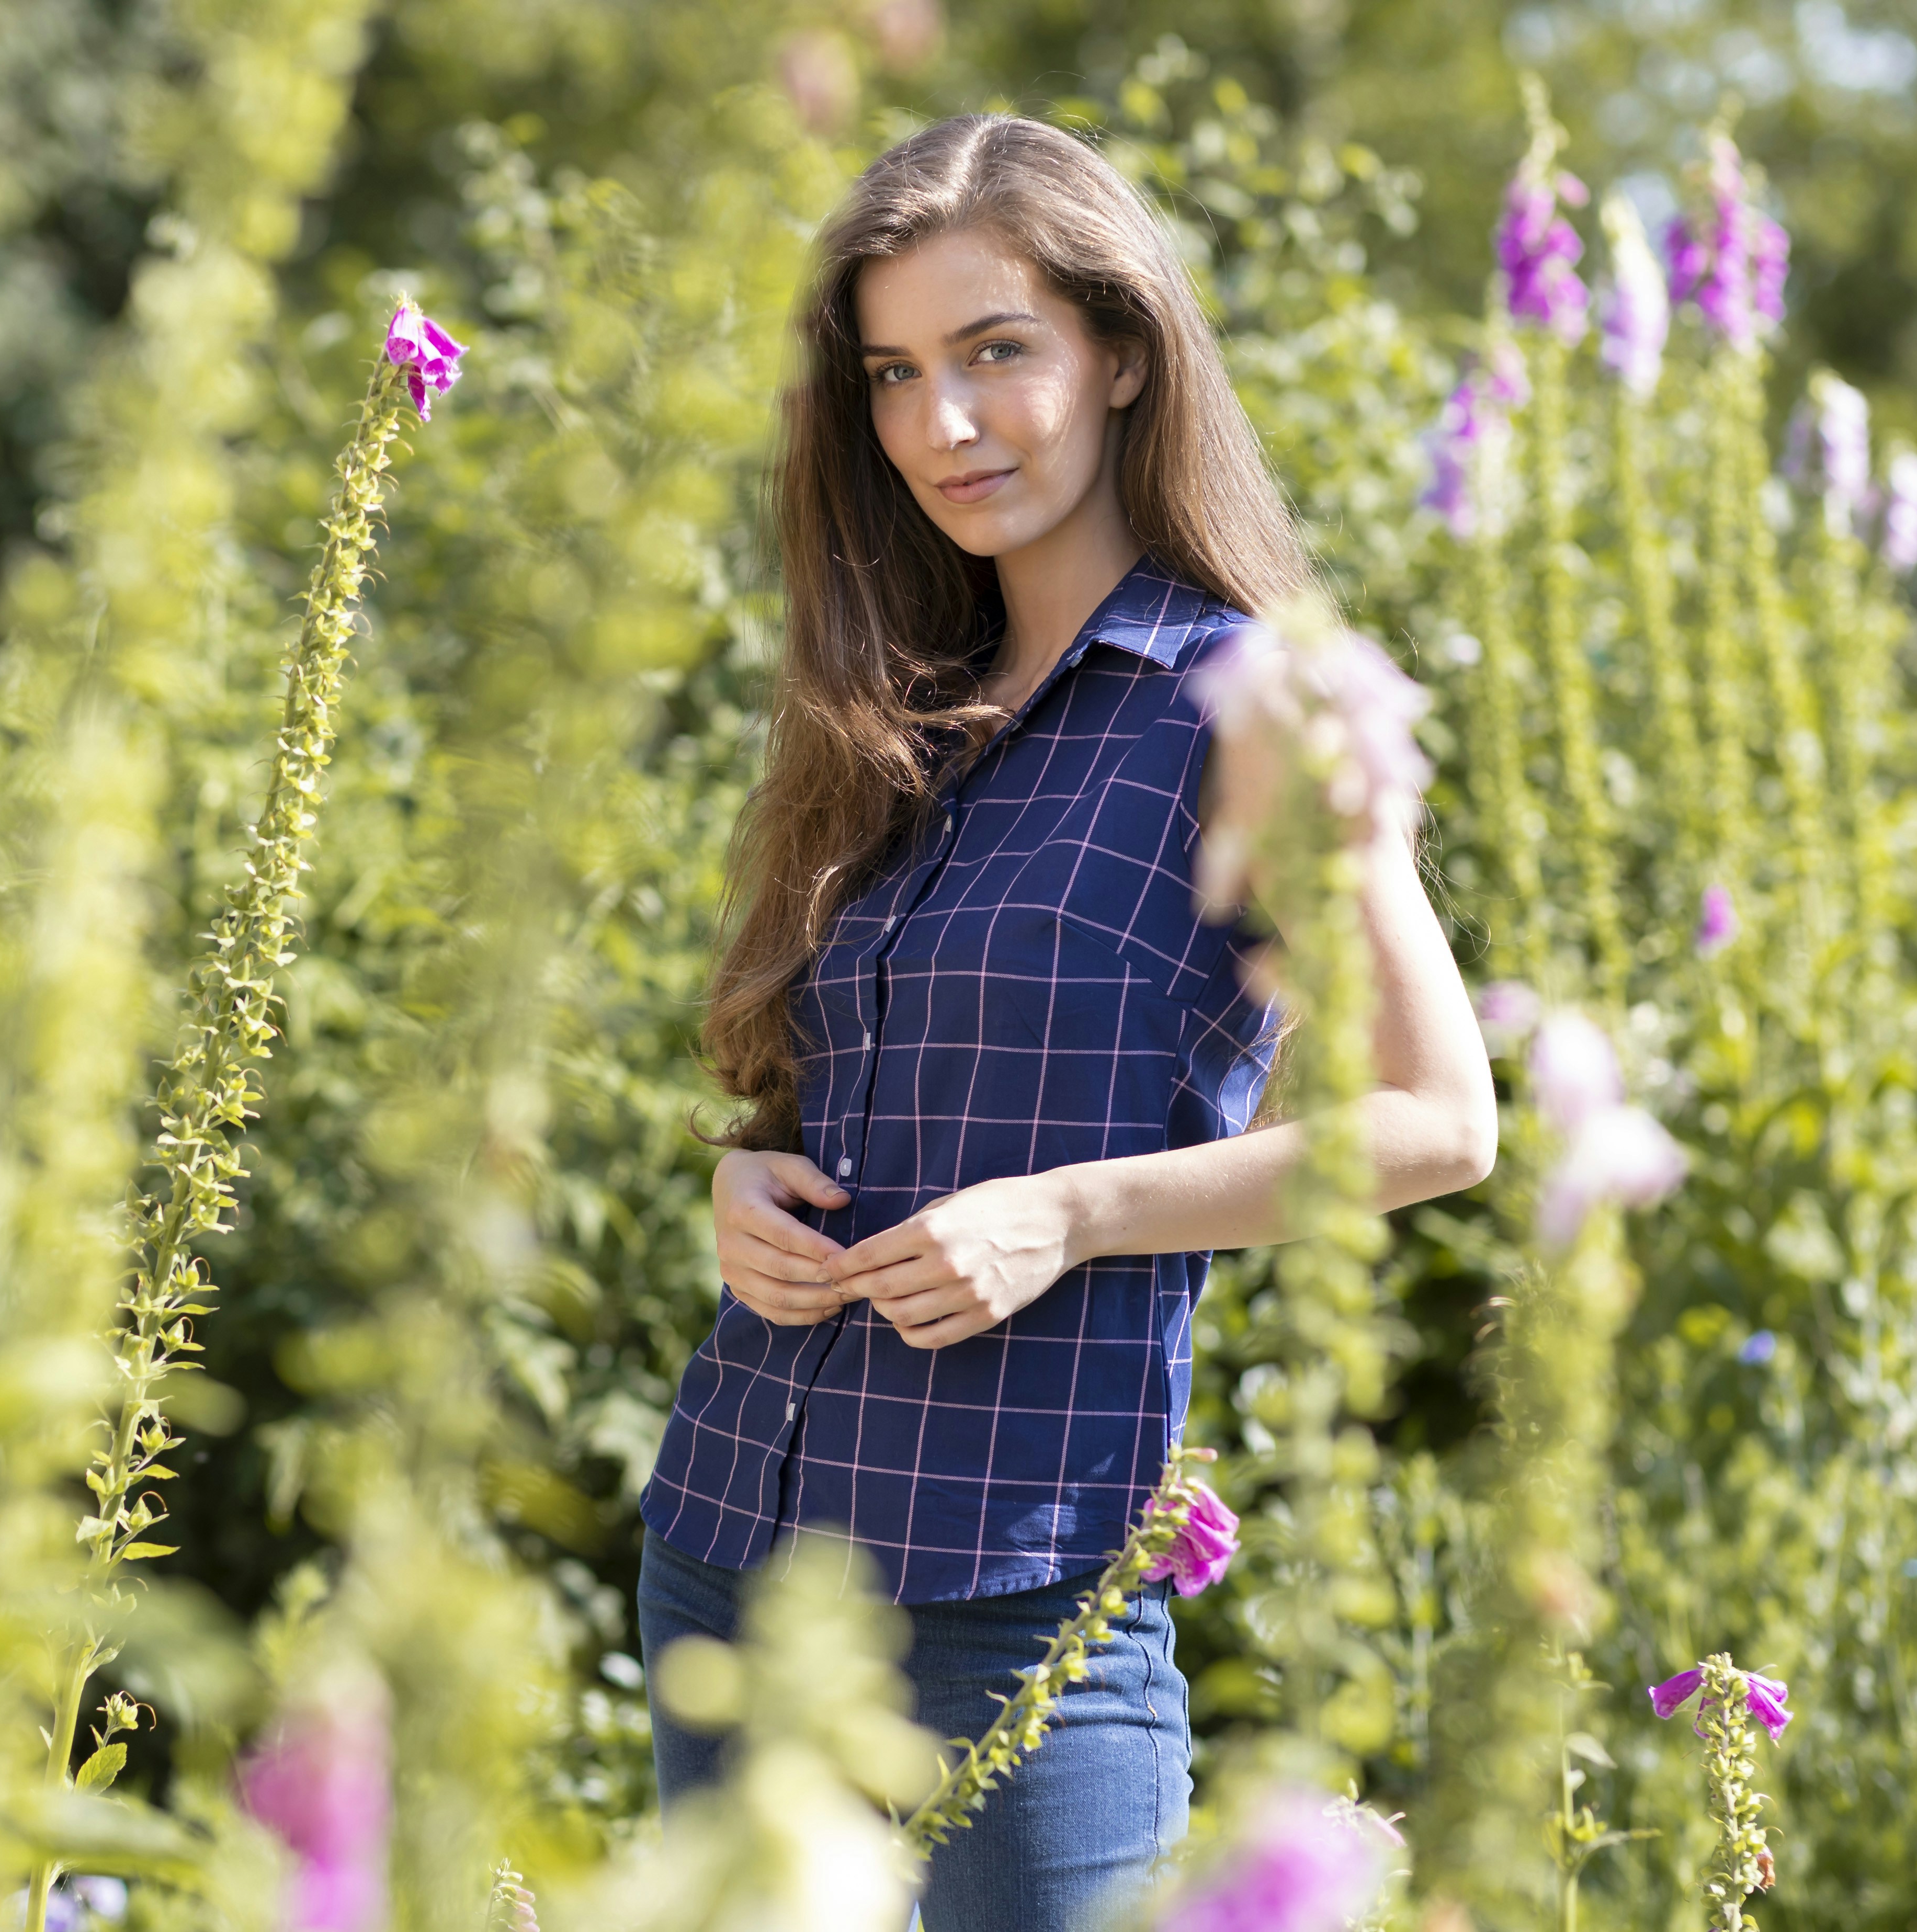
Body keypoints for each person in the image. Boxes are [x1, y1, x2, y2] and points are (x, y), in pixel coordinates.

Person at [636, 113, 1495, 1930]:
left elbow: (1441, 1125)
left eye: (996, 351)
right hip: (731, 1543)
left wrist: (1078, 1209)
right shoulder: (894, 701)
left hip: (1008, 1590)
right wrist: (747, 1192)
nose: (942, 424)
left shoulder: (1258, 700)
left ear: (1120, 353)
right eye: (896, 373)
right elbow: (852, 1083)